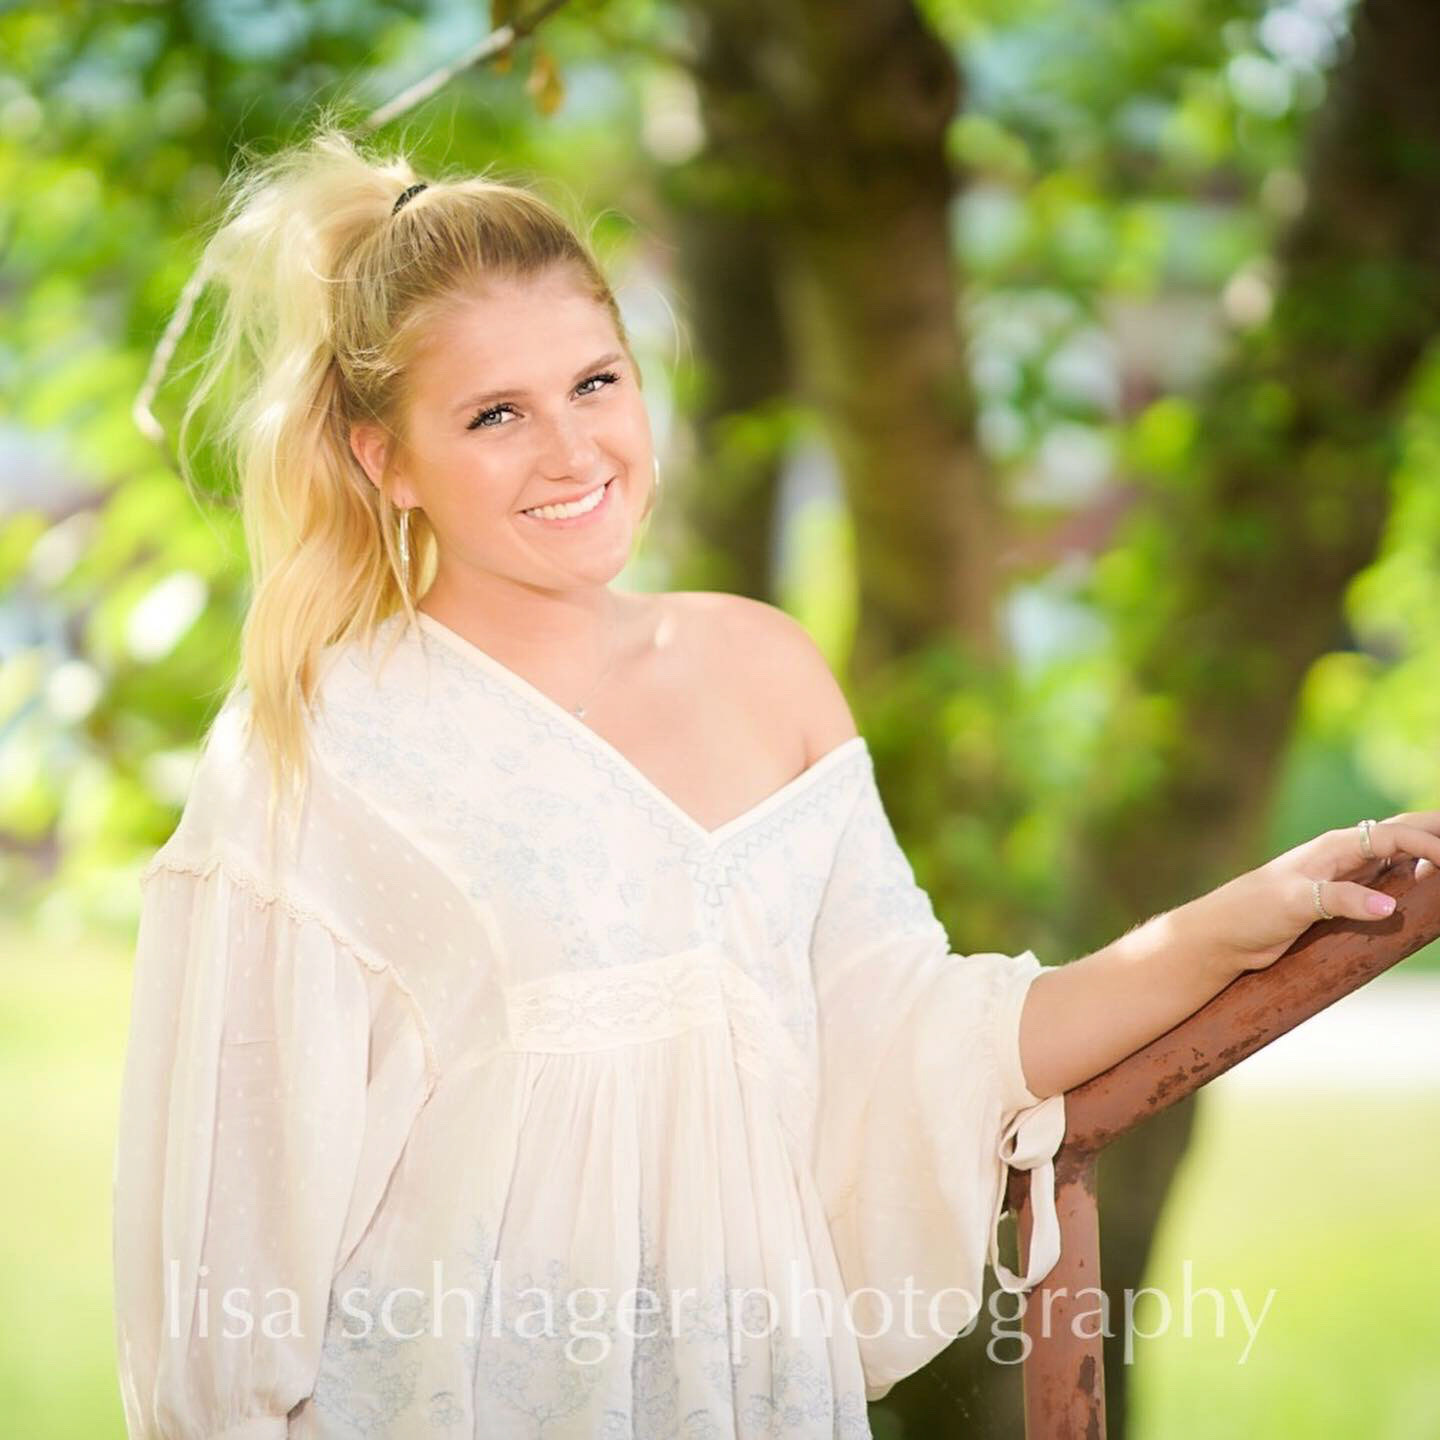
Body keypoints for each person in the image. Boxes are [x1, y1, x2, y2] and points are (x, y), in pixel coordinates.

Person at [110, 124, 1440, 1440]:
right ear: (383, 458)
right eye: (494, 414)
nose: (572, 450)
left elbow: (923, 1046)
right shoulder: (319, 741)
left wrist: (1232, 924)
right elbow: (229, 1244)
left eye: (595, 383)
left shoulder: (764, 670)